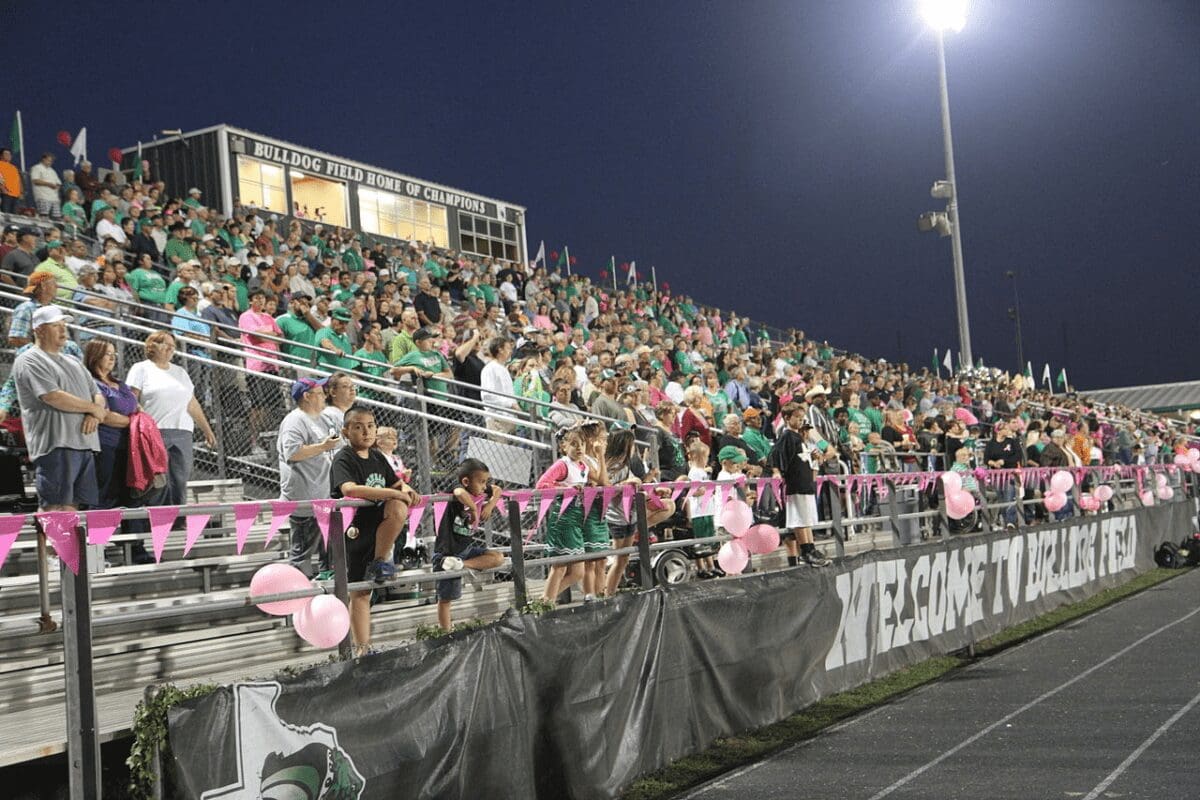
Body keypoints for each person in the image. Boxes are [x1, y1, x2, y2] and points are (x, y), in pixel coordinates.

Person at [330, 404, 419, 656]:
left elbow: (396, 482)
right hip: (354, 528)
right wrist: (393, 492)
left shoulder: (379, 456)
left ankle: (380, 560)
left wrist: (405, 490)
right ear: (346, 431)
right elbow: (349, 489)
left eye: (370, 426)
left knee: (399, 506)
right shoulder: (344, 458)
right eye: (358, 427)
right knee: (360, 591)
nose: (366, 432)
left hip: (378, 526)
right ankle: (361, 649)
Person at [11, 307, 103, 510]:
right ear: (39, 330)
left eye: (64, 326)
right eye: (56, 326)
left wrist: (94, 414)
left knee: (72, 507)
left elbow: (97, 393)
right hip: (56, 443)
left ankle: (65, 543)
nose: (63, 331)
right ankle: (45, 544)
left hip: (84, 443)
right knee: (53, 508)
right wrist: (94, 409)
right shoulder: (29, 359)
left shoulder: (74, 361)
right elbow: (53, 396)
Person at [125, 332, 217, 507]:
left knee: (180, 479)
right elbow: (132, 398)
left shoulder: (180, 372)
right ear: (152, 345)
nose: (170, 348)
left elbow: (192, 403)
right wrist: (140, 412)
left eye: (173, 346)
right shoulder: (141, 368)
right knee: (158, 479)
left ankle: (178, 520)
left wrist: (207, 430)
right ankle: (157, 522)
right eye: (165, 344)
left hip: (182, 431)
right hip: (155, 431)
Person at [278, 376, 340, 578]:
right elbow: (292, 453)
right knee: (303, 551)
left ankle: (326, 588)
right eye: (320, 393)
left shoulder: (324, 418)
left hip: (324, 496)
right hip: (304, 497)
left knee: (329, 549)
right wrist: (323, 446)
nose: (324, 396)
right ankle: (293, 596)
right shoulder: (294, 420)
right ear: (306, 396)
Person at [432, 458, 504, 630]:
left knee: (498, 558)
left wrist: (490, 505)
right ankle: (446, 631)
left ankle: (461, 564)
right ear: (466, 481)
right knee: (445, 600)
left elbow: (497, 489)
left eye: (485, 481)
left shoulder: (480, 488)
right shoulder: (457, 491)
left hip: (465, 552)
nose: (484, 486)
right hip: (447, 553)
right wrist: (472, 509)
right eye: (481, 482)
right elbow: (459, 493)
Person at [602, 428, 676, 597]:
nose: (634, 447)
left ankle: (609, 593)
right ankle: (607, 594)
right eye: (632, 444)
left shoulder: (624, 466)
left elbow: (636, 487)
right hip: (619, 518)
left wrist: (654, 491)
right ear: (625, 446)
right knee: (620, 559)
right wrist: (628, 482)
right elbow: (609, 490)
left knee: (623, 560)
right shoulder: (613, 466)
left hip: (629, 516)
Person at [769, 403, 832, 567]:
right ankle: (805, 550)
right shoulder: (787, 436)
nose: (800, 420)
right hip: (796, 484)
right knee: (800, 520)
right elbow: (775, 454)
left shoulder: (798, 437)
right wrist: (776, 471)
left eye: (801, 417)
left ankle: (811, 547)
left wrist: (813, 456)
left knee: (807, 519)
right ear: (787, 418)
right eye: (796, 417)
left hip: (805, 483)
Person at [536, 427, 590, 604]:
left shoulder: (584, 466)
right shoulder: (562, 464)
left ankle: (544, 601)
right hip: (563, 519)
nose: (579, 448)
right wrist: (566, 490)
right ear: (564, 446)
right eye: (574, 444)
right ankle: (545, 603)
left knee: (577, 573)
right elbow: (541, 485)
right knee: (559, 566)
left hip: (576, 520)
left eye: (582, 444)